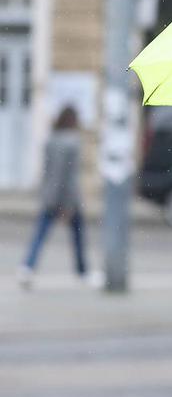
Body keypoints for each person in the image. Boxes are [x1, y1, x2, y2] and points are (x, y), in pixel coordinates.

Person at [17, 107, 93, 289]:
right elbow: (66, 176)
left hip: (49, 195)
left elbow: (48, 172)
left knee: (40, 234)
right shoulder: (73, 143)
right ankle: (82, 272)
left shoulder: (51, 140)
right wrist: (66, 205)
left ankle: (27, 267)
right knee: (78, 236)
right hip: (68, 198)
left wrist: (46, 195)